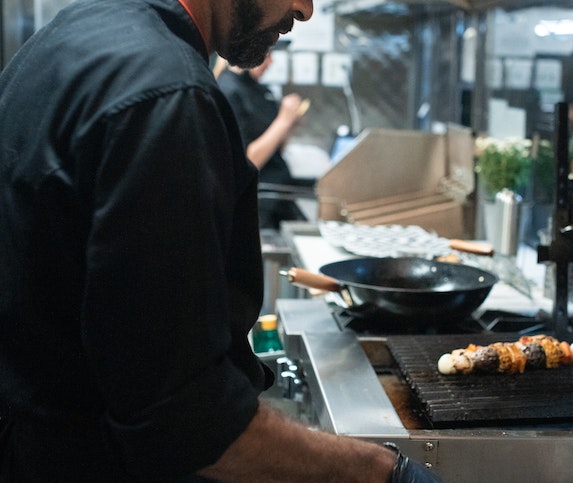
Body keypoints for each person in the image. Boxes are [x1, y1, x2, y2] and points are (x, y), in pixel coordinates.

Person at [0, 0, 439, 481]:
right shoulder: (165, 91)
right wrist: (383, 471)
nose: (305, 9)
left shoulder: (70, 34)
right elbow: (185, 422)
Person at [217, 48, 312, 229]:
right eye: (266, 55)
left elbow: (276, 150)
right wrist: (283, 121)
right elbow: (247, 162)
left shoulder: (261, 89)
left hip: (279, 193)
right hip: (258, 200)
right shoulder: (229, 91)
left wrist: (290, 124)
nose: (271, 63)